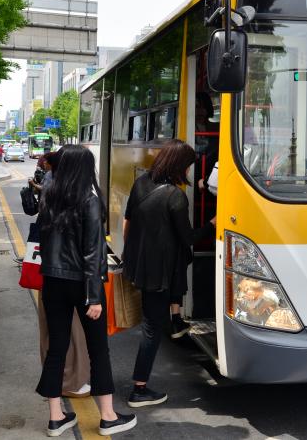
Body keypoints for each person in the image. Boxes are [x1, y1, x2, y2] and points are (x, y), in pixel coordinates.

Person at [36, 145, 137, 437]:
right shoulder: (89, 200)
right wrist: (94, 297)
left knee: (56, 348)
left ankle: (56, 418)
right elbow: (93, 252)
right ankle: (108, 416)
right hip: (83, 284)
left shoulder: (49, 196)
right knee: (98, 350)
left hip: (52, 282)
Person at [122, 139, 215, 408]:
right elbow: (189, 238)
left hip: (140, 266)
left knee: (151, 325)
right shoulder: (175, 197)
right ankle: (139, 389)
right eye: (187, 166)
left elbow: (128, 222)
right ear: (179, 166)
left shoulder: (141, 183)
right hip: (159, 274)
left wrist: (130, 257)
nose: (188, 171)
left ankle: (176, 321)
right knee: (151, 329)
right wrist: (212, 224)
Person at [31, 150, 91, 398]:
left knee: (52, 335)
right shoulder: (83, 198)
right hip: (72, 277)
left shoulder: (51, 194)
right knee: (74, 333)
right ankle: (72, 381)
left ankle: (56, 398)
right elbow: (90, 248)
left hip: (48, 274)